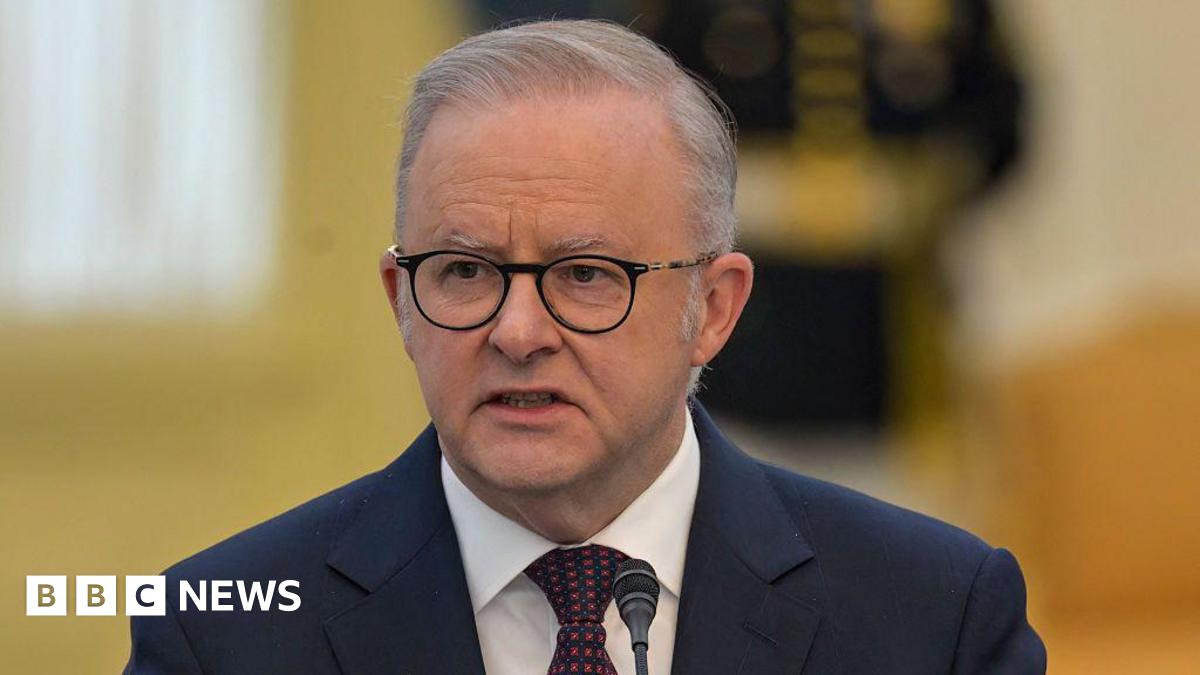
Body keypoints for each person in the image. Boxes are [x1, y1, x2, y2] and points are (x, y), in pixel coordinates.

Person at [125, 19, 1045, 674]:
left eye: (588, 275)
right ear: (401, 302)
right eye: (464, 272)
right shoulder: (221, 632)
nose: (518, 333)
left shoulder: (936, 618)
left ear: (713, 309)